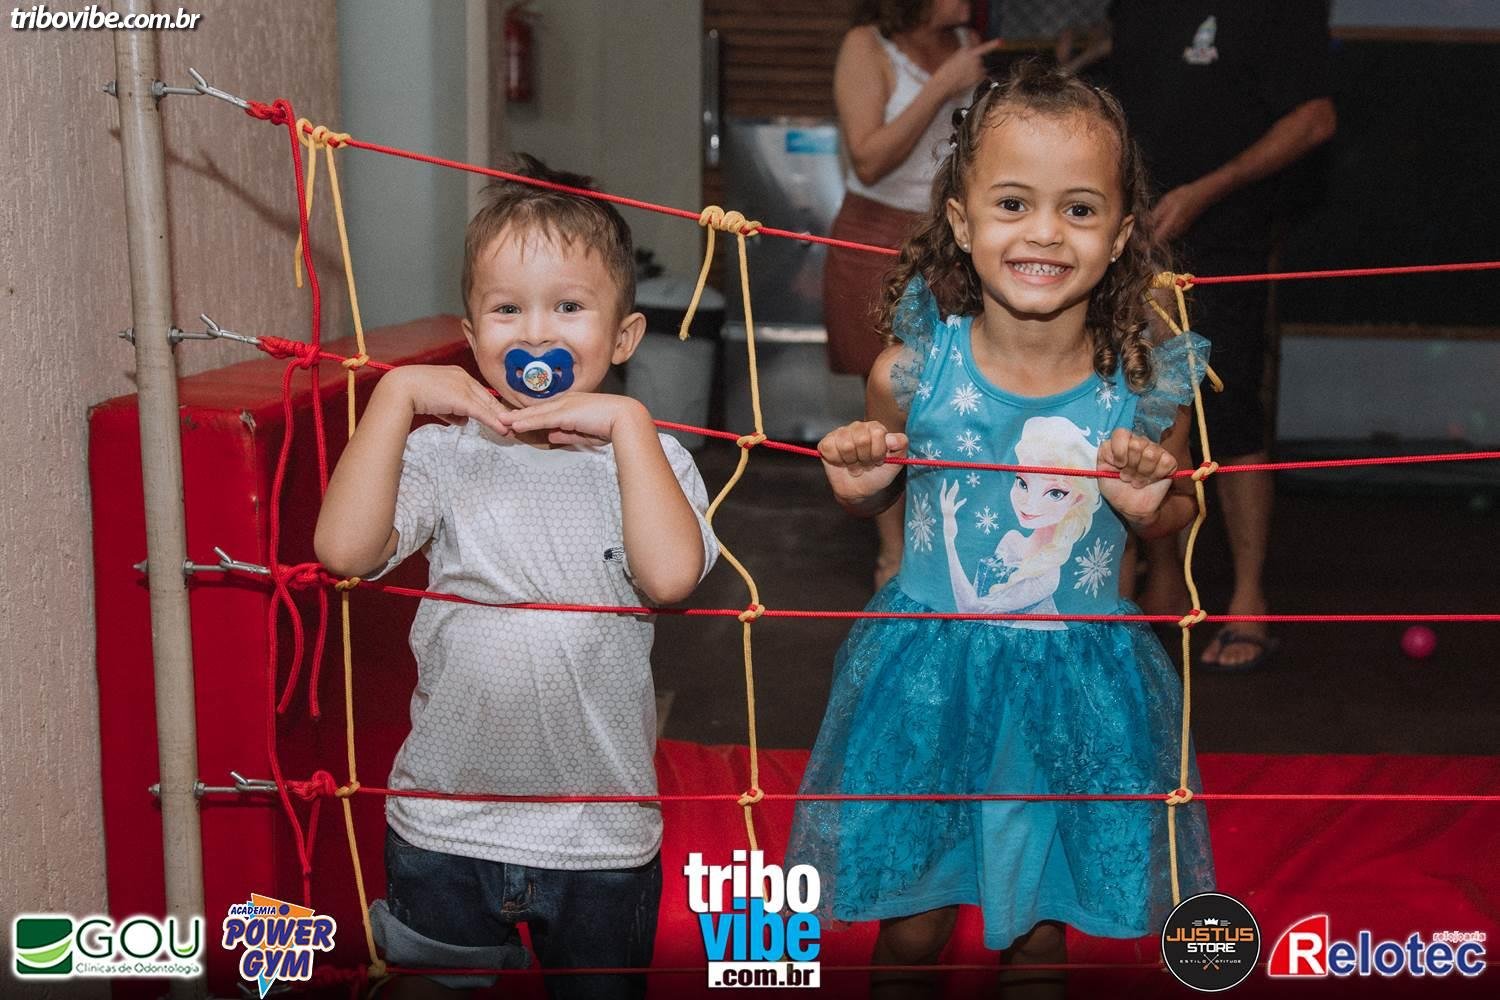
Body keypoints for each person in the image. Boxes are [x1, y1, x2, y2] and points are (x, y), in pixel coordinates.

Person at [787, 62, 1215, 998]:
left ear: (1121, 235)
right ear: (961, 220)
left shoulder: (1140, 389)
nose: (1044, 233)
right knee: (913, 929)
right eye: (1014, 203)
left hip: (1072, 688)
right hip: (928, 683)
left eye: (1079, 209)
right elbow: (877, 499)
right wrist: (860, 487)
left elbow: (1178, 511)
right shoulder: (910, 375)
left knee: (1038, 934)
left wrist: (1154, 507)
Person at [313, 154, 719, 999]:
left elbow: (672, 577)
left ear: (623, 338)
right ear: (472, 338)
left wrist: (630, 425)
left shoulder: (650, 460)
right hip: (445, 825)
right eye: (507, 309)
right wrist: (394, 399)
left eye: (568, 307)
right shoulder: (445, 454)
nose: (535, 333)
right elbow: (344, 552)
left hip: (600, 839)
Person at [1069, 2, 1337, 671]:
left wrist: (1207, 191)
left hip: (1225, 240)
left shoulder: (1278, 12)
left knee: (1231, 410)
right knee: (1142, 405)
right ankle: (1162, 580)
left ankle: (1248, 600)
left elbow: (1315, 118)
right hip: (1133, 239)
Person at [824, 0, 1003, 589]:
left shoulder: (966, 41)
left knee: (960, 386)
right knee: (890, 391)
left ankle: (959, 540)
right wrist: (944, 85)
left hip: (954, 237)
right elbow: (869, 159)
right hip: (878, 232)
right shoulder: (867, 45)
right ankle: (894, 556)